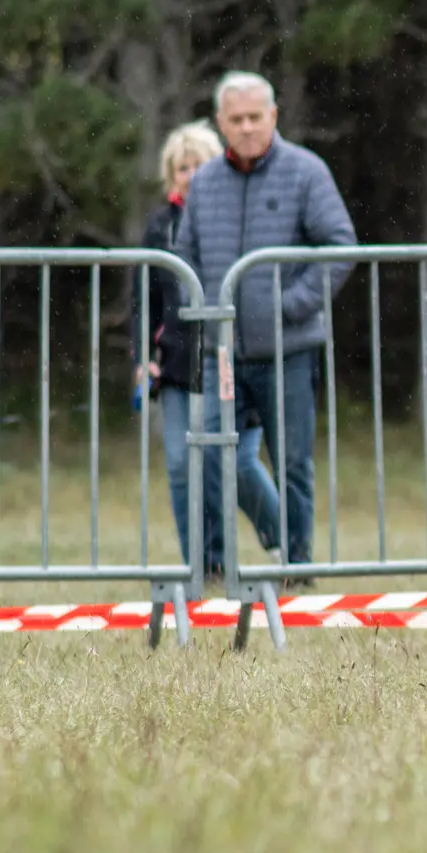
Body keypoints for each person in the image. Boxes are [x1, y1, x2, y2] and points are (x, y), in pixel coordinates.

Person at [175, 71, 357, 577]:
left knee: (293, 463)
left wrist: (290, 305)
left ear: (274, 116)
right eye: (237, 119)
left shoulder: (306, 172)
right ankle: (213, 566)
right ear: (221, 123)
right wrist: (205, 312)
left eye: (257, 116)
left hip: (289, 349)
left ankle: (297, 566)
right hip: (222, 355)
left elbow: (340, 248)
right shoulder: (205, 181)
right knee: (213, 454)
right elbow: (184, 256)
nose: (248, 126)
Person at [131, 120, 280, 580]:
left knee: (235, 463)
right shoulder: (159, 227)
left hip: (232, 358)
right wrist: (142, 357)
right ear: (169, 174)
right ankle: (204, 561)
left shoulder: (234, 218)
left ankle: (286, 543)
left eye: (200, 165)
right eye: (182, 167)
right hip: (177, 363)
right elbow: (143, 299)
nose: (191, 175)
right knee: (181, 464)